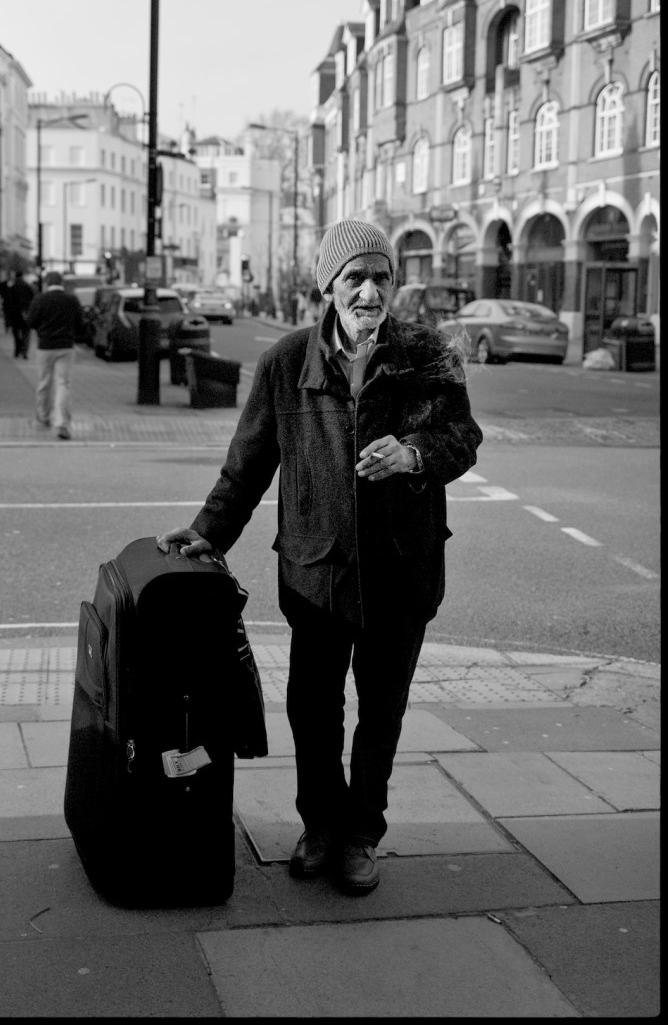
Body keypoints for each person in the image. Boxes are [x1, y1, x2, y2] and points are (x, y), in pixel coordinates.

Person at [156, 219, 483, 895]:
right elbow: (248, 463)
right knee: (312, 706)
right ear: (328, 285)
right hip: (317, 571)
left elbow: (463, 436)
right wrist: (208, 533)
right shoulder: (288, 362)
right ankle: (320, 825)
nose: (369, 291)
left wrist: (414, 454)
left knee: (381, 710)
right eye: (355, 277)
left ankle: (362, 833)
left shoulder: (425, 354)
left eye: (381, 277)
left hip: (402, 568)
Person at [27, 270, 84, 440]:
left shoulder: (40, 299)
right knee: (63, 384)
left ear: (46, 283)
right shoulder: (71, 300)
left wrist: (43, 329)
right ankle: (61, 423)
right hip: (65, 346)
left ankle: (43, 417)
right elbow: (80, 324)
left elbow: (30, 322)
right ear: (62, 283)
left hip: (45, 347)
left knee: (44, 381)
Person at [1, 271, 34, 358]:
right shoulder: (27, 287)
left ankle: (17, 349)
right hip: (25, 313)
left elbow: (7, 301)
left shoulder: (12, 287)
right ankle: (24, 351)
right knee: (26, 333)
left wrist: (7, 314)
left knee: (16, 332)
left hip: (14, 314)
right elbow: (32, 299)